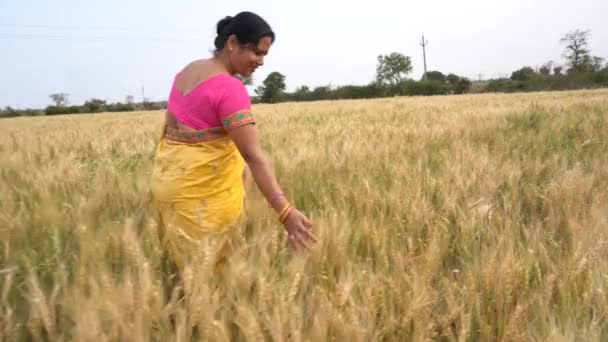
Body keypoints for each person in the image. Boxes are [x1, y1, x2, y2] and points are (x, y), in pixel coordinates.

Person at [150, 11, 316, 274]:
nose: (261, 62)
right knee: (210, 276)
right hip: (204, 198)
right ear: (232, 43)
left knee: (180, 270)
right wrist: (285, 212)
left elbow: (170, 130)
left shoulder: (185, 73)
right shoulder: (230, 88)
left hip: (169, 188)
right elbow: (253, 156)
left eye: (264, 55)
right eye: (257, 53)